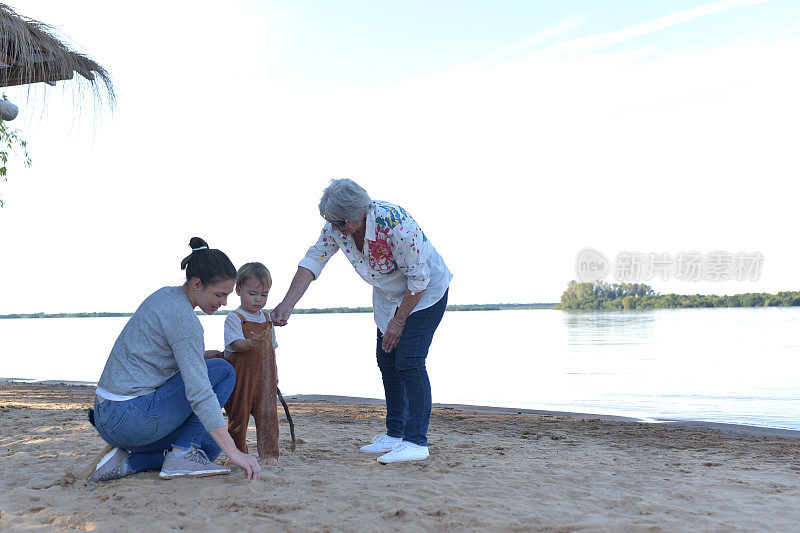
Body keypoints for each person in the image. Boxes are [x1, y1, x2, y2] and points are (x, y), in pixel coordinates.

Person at [272, 179, 452, 464]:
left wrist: (399, 322)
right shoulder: (337, 225)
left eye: (340, 223)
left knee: (410, 360)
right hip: (387, 295)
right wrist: (286, 305)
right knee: (386, 359)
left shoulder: (396, 226)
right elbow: (313, 261)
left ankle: (416, 441)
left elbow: (419, 278)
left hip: (425, 292)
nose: (334, 228)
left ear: (360, 213)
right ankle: (395, 434)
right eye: (329, 222)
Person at [86, 238, 261, 482]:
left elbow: (151, 357)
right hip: (129, 417)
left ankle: (128, 462)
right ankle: (178, 456)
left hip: (107, 417)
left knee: (209, 449)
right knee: (223, 371)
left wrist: (198, 358)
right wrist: (234, 454)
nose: (224, 303)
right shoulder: (186, 322)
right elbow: (199, 393)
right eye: (220, 294)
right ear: (198, 284)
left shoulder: (164, 296)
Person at [221, 262, 280, 465]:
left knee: (268, 415)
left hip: (265, 376)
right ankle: (239, 453)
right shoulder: (234, 318)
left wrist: (275, 374)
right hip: (241, 377)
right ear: (238, 290)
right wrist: (251, 343)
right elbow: (235, 345)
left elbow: (271, 348)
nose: (258, 299)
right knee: (239, 416)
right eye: (253, 293)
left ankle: (269, 453)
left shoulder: (267, 318)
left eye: (263, 295)